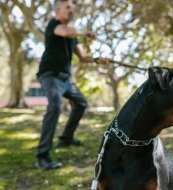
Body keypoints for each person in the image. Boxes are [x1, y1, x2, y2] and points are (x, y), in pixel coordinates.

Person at [35, 0, 108, 170]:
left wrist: (98, 60)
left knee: (81, 103)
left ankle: (66, 138)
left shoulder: (73, 36)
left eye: (72, 7)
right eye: (67, 7)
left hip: (65, 80)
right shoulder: (54, 25)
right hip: (50, 75)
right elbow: (66, 32)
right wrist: (85, 32)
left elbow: (83, 57)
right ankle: (42, 155)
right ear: (57, 11)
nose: (71, 10)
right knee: (54, 107)